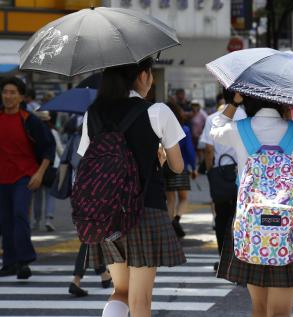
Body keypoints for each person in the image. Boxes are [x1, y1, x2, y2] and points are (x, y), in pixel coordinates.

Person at [77, 58, 186, 317]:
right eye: (150, 74)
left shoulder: (93, 113)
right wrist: (157, 158)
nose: (152, 80)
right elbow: (178, 166)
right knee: (141, 301)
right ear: (141, 75)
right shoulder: (157, 111)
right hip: (145, 209)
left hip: (105, 213)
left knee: (121, 291)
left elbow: (85, 159)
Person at [211, 93, 293, 317]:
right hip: (287, 229)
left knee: (258, 309)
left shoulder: (239, 129)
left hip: (251, 229)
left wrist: (233, 103)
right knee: (280, 312)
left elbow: (216, 128)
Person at [0, 77, 55, 279]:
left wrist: (39, 173)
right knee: (4, 221)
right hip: (2, 179)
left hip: (25, 177)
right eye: (5, 91)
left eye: (13, 92)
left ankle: (24, 261)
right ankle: (10, 262)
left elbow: (49, 147)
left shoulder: (29, 120)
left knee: (20, 215)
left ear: (21, 96)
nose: (8, 96)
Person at [199, 88, 246, 270]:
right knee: (240, 217)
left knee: (221, 217)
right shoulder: (246, 117)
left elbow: (208, 149)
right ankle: (240, 260)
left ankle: (223, 260)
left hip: (219, 172)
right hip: (241, 173)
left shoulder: (213, 119)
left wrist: (211, 171)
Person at [164, 102, 197, 238]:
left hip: (166, 166)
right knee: (183, 198)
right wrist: (194, 167)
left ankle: (170, 223)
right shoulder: (184, 129)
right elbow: (189, 150)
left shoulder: (162, 129)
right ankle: (177, 219)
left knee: (170, 198)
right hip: (180, 166)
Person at [31, 110, 64, 231]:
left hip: (36, 167)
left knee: (37, 196)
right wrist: (63, 162)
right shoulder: (53, 132)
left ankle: (36, 220)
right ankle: (48, 219)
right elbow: (60, 149)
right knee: (50, 195)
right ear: (49, 120)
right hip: (52, 166)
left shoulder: (33, 132)